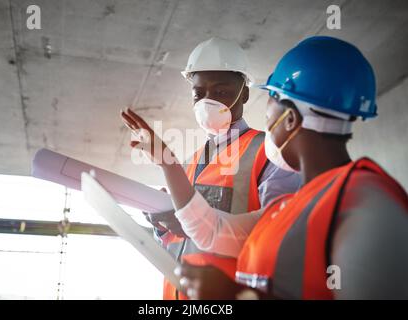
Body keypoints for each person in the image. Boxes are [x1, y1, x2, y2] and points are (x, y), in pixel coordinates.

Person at [171, 36, 408, 299]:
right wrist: (166, 164)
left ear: (290, 118)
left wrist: (238, 297)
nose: (266, 113)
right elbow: (211, 231)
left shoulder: (367, 200)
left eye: (271, 97)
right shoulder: (285, 208)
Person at [121, 37, 300, 300]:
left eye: (221, 92)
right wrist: (162, 223)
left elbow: (277, 238)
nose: (208, 101)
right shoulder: (190, 162)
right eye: (199, 93)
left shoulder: (270, 153)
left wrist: (192, 222)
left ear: (245, 93)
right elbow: (179, 245)